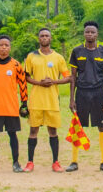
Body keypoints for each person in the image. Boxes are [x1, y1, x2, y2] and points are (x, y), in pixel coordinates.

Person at [25, 28, 71, 172]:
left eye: (47, 36)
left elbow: (68, 77)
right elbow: (26, 76)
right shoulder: (31, 56)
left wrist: (53, 82)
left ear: (51, 39)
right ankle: (30, 162)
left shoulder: (58, 58)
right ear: (38, 39)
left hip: (52, 100)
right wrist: (40, 83)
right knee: (33, 130)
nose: (44, 38)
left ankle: (55, 162)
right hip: (36, 100)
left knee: (53, 131)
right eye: (42, 36)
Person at [70, 21, 103, 172]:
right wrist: (71, 98)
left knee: (102, 126)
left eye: (92, 32)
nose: (90, 34)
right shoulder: (77, 51)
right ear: (84, 33)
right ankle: (74, 161)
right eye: (87, 32)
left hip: (98, 93)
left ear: (97, 34)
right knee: (78, 127)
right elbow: (73, 77)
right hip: (81, 92)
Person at [0, 35, 28, 172]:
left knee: (12, 135)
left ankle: (16, 163)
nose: (3, 48)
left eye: (6, 45)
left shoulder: (16, 65)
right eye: (1, 45)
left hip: (11, 107)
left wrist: (24, 103)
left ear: (10, 47)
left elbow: (23, 84)